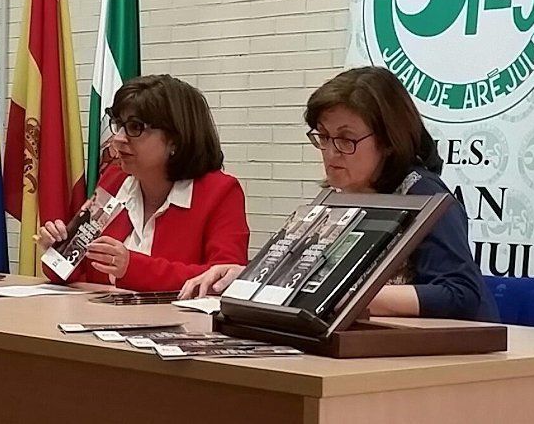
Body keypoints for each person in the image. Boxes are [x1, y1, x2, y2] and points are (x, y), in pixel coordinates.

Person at [180, 67, 498, 322]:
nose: (331, 152)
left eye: (346, 140)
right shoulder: (335, 197)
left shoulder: (423, 196)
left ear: (389, 140)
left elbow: (460, 294)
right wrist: (249, 278)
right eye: (324, 137)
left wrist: (347, 296)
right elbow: (304, 277)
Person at [35, 74, 249, 292]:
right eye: (118, 125)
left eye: (135, 127)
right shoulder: (114, 179)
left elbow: (222, 280)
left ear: (175, 138)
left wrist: (132, 267)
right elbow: (68, 270)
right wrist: (58, 248)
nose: (118, 138)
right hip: (98, 318)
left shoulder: (220, 192)